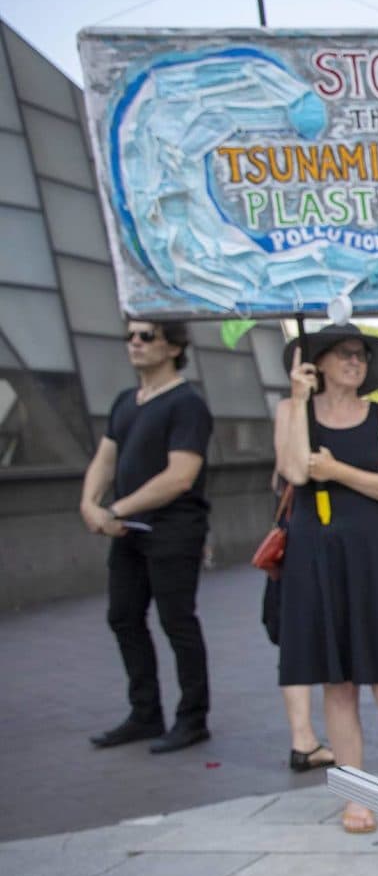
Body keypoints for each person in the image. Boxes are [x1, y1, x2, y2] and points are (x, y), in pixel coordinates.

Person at [274, 323, 378, 834]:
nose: (356, 362)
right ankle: (356, 795)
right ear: (317, 361)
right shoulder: (291, 411)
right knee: (337, 685)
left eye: (362, 354)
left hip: (373, 553)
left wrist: (341, 472)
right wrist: (298, 401)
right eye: (345, 353)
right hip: (314, 555)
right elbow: (295, 471)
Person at [80, 319, 216, 753]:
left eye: (147, 336)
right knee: (122, 616)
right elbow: (105, 459)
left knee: (177, 622)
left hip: (174, 530)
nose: (134, 343)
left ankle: (192, 719)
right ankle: (145, 714)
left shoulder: (187, 404)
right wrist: (89, 502)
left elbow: (180, 476)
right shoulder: (126, 401)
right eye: (131, 336)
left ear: (174, 347)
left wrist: (116, 509)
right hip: (129, 532)